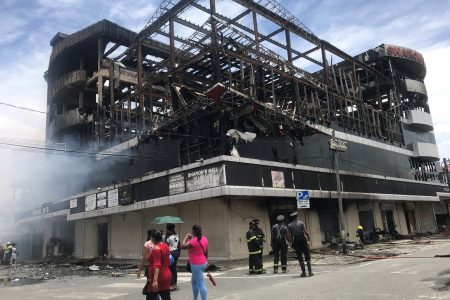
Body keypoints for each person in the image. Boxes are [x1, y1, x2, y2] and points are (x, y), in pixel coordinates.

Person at [181, 225, 208, 300]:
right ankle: (195, 298)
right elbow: (206, 252)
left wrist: (186, 237)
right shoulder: (204, 239)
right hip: (204, 263)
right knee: (194, 282)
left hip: (196, 265)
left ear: (193, 231)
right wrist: (206, 261)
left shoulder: (193, 241)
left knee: (201, 283)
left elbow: (182, 246)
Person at [146, 230, 172, 300]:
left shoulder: (156, 248)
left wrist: (155, 280)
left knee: (150, 297)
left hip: (158, 276)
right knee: (166, 296)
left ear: (154, 239)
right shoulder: (165, 246)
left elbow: (157, 265)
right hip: (167, 274)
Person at [287, 211, 313, 277]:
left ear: (291, 218)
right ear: (296, 217)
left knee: (299, 255)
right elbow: (306, 232)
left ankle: (304, 273)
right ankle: (310, 272)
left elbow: (290, 236)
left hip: (296, 240)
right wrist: (309, 239)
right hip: (303, 238)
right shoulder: (301, 223)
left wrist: (291, 243)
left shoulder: (290, 225)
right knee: (306, 254)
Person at [165, 223, 180, 290]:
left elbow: (166, 246)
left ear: (169, 229)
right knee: (174, 269)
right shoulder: (176, 236)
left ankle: (171, 284)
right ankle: (175, 284)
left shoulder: (169, 237)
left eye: (167, 229)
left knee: (170, 269)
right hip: (176, 252)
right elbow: (178, 245)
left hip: (171, 253)